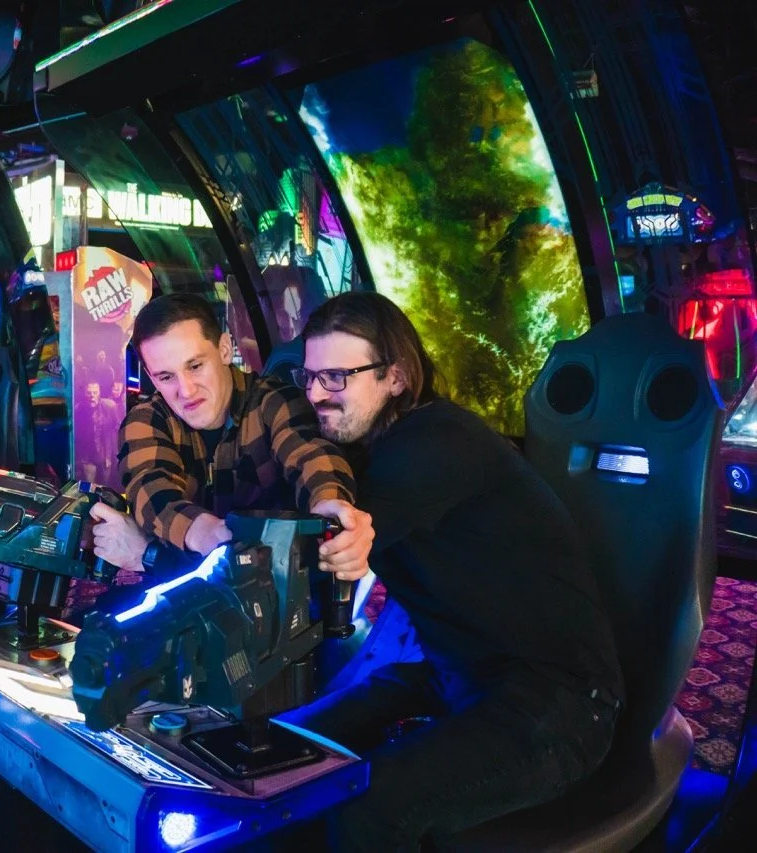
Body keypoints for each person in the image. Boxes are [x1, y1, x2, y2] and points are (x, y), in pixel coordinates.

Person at [283, 291, 623, 851]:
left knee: (369, 811)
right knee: (282, 752)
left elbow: (325, 539)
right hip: (454, 672)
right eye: (311, 376)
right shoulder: (367, 447)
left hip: (559, 701)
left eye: (338, 377)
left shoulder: (439, 440)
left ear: (395, 377)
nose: (317, 394)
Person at [87, 291, 372, 582]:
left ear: (224, 349)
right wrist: (208, 534)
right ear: (150, 375)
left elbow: (313, 458)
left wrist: (331, 510)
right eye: (166, 377)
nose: (186, 391)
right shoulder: (149, 418)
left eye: (195, 366)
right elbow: (150, 488)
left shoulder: (273, 402)